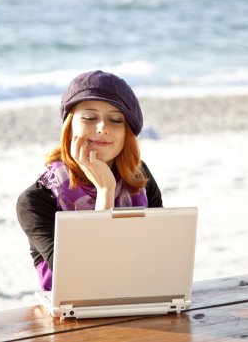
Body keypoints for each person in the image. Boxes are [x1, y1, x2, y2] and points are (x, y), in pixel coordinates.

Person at [16, 70, 163, 291]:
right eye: (89, 118)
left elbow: (159, 257)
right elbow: (85, 278)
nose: (103, 128)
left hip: (139, 297)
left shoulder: (140, 177)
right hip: (72, 316)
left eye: (115, 120)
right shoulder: (35, 200)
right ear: (70, 127)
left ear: (126, 134)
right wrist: (105, 191)